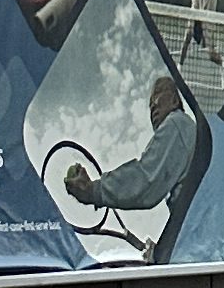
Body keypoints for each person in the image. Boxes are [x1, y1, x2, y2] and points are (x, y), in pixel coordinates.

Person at [65, 75, 198, 225]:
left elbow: (146, 179)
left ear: (174, 100)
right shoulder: (183, 133)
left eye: (158, 94)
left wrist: (93, 190)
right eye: (149, 104)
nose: (153, 105)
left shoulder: (176, 123)